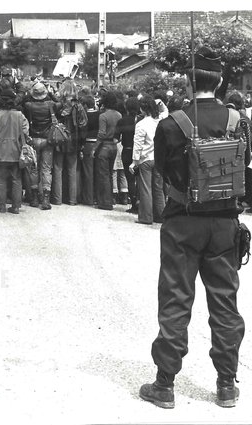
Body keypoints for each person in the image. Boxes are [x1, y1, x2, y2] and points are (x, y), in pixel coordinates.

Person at [139, 46, 250, 409]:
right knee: (224, 303)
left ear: (188, 81)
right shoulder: (238, 121)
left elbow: (164, 171)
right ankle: (225, 384)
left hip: (183, 221)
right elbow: (243, 164)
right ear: (219, 81)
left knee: (175, 299)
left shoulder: (172, 124)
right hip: (224, 223)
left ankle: (165, 384)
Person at [0, 89, 30, 214]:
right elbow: (26, 133)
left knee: (1, 179)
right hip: (17, 151)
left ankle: (1, 206)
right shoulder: (20, 115)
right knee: (16, 179)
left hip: (1, 151)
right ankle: (16, 207)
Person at [129, 94, 165, 224]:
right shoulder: (160, 120)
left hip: (146, 159)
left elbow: (137, 145)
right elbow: (165, 111)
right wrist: (160, 103)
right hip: (159, 158)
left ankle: (145, 217)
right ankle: (161, 215)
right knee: (158, 188)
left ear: (143, 109)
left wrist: (134, 162)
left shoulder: (141, 124)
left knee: (145, 189)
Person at [23, 82, 55, 209]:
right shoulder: (50, 105)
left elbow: (22, 101)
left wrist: (29, 94)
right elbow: (60, 102)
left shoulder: (28, 105)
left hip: (33, 139)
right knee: (47, 169)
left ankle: (35, 197)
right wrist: (50, 92)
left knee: (33, 169)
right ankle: (46, 198)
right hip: (47, 139)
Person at [94, 90, 122, 210]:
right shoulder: (119, 115)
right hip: (114, 146)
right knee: (110, 174)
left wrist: (95, 148)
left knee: (103, 175)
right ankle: (110, 199)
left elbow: (101, 134)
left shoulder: (103, 116)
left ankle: (104, 202)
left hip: (104, 146)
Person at [116, 96, 140, 213]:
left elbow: (116, 138)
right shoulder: (141, 120)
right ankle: (141, 201)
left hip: (127, 150)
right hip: (140, 151)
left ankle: (134, 203)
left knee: (130, 179)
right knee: (140, 179)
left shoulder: (122, 121)